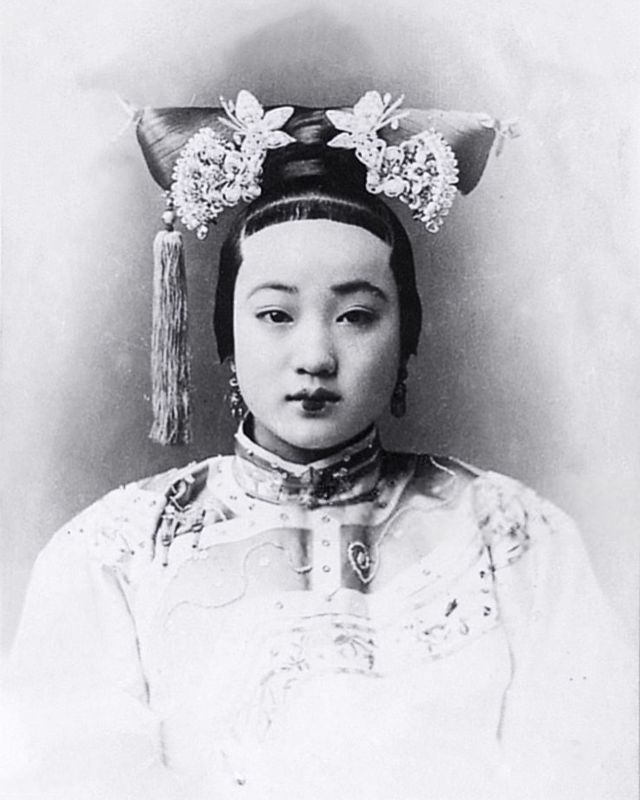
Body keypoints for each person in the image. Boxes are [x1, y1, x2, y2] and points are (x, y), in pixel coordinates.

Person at [4, 91, 636, 800]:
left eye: (356, 316)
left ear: (406, 338)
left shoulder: (510, 537)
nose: (315, 356)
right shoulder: (116, 553)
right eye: (276, 314)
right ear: (226, 338)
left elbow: (588, 766)